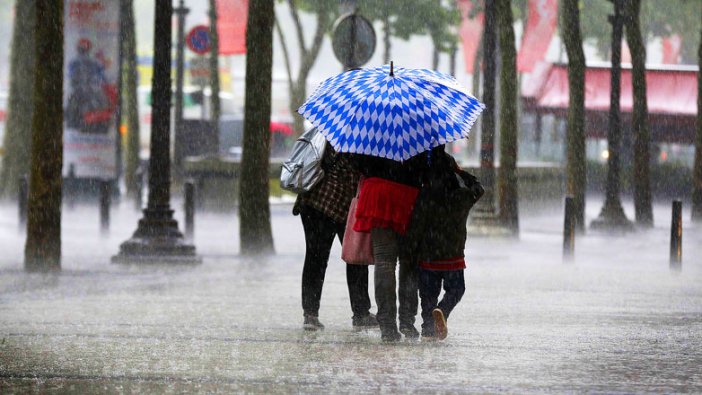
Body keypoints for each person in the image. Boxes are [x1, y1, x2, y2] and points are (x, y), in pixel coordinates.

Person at [348, 149, 438, 342]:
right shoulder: (421, 125)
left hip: (377, 191)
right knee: (409, 262)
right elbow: (431, 165)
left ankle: (387, 325)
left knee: (384, 261)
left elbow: (356, 160)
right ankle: (406, 320)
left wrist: (374, 168)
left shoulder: (370, 124)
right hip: (410, 193)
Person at [293, 143, 377, 331]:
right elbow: (362, 171)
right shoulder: (360, 141)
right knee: (354, 258)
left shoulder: (332, 130)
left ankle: (311, 314)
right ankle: (360, 313)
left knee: (316, 258)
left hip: (314, 200)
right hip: (334, 203)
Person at [406, 147, 484, 340]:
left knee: (427, 295)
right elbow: (479, 188)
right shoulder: (462, 197)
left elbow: (416, 226)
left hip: (428, 254)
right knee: (457, 289)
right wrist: (459, 172)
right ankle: (443, 310)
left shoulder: (424, 196)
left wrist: (412, 250)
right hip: (453, 254)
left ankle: (428, 329)